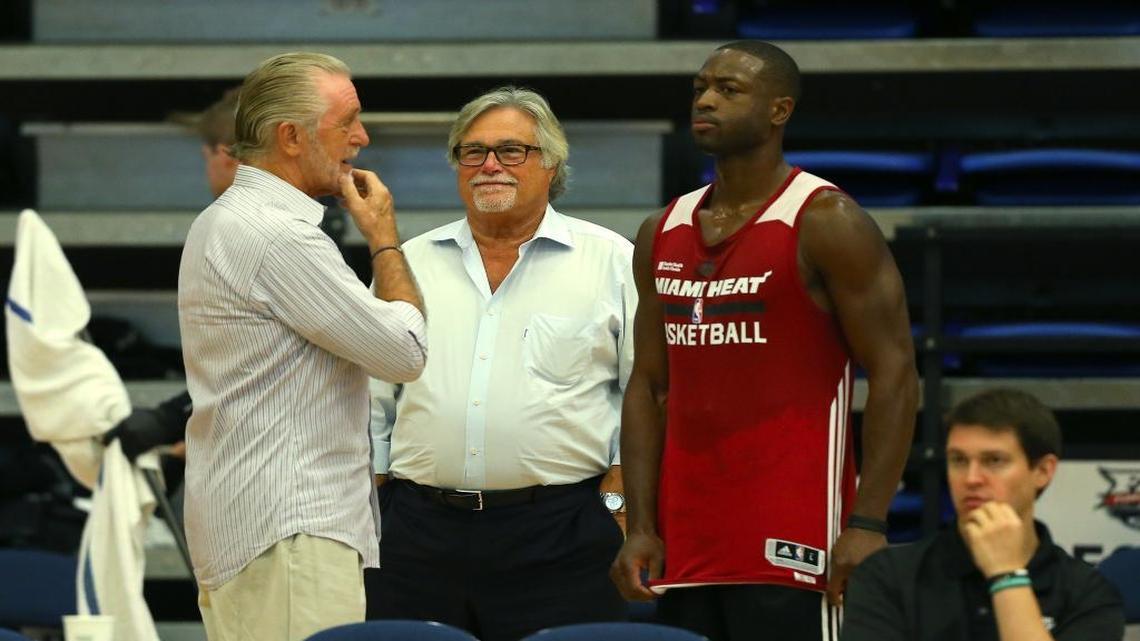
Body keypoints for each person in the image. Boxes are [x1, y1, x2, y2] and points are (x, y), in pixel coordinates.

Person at [611, 40, 919, 641]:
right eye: (701, 87)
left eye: (729, 89)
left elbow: (896, 372)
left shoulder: (828, 220)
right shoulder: (662, 230)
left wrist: (869, 521)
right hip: (687, 539)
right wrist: (640, 522)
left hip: (798, 538)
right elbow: (648, 387)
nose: (706, 100)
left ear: (779, 111)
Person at [366, 86, 635, 641]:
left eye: (511, 150)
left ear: (551, 163)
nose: (490, 165)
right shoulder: (409, 261)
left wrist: (619, 501)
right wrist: (378, 498)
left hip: (562, 532)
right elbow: (371, 394)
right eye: (473, 151)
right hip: (417, 534)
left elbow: (647, 392)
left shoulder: (611, 261)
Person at [178, 52, 427, 641]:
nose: (361, 139)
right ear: (290, 137)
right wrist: (385, 239)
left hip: (261, 525)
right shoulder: (277, 236)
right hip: (290, 531)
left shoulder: (222, 219)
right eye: (348, 122)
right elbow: (405, 352)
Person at [842, 389, 1125, 640]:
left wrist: (1006, 575)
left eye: (994, 461)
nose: (972, 478)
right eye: (959, 460)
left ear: (1042, 471)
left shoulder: (1088, 595)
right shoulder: (887, 576)